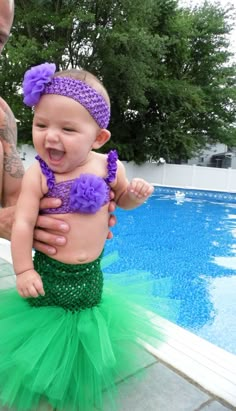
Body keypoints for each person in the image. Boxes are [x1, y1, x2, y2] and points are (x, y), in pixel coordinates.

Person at [0, 62, 167, 411]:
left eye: (68, 128)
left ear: (99, 137)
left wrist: (133, 196)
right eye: (41, 124)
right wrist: (23, 270)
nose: (50, 136)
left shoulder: (110, 166)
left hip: (90, 278)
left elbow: (122, 200)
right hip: (47, 278)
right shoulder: (38, 174)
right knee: (42, 340)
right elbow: (22, 224)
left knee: (85, 334)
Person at [0, 0, 116, 255]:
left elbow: (15, 197)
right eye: (42, 124)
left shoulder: (2, 116)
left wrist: (73, 215)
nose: (51, 135)